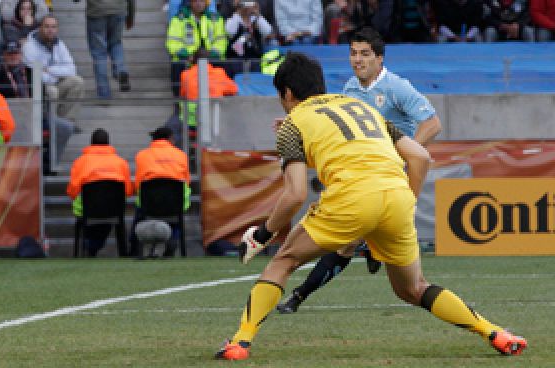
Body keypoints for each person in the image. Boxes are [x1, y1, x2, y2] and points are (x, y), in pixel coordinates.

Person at [214, 52, 527, 361]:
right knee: (414, 288)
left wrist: (263, 234)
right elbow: (420, 157)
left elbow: (295, 194)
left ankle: (240, 342)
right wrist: (405, 202)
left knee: (282, 263)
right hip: (396, 197)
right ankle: (494, 332)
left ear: (288, 93)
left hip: (350, 200)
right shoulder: (361, 107)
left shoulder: (291, 124)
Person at [277, 27, 442, 314]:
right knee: (346, 244)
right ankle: (300, 295)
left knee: (352, 244)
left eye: (365, 54)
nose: (358, 60)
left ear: (379, 58)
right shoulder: (349, 90)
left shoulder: (396, 87)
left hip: (389, 175)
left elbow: (432, 124)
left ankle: (300, 294)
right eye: (353, 53)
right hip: (362, 174)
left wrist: (402, 152)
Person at [67, 128, 133, 256]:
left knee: (92, 217)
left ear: (91, 143)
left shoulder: (80, 162)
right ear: (108, 143)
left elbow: (72, 191)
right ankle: (100, 246)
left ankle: (91, 246)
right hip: (114, 210)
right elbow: (128, 191)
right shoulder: (121, 162)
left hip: (89, 210)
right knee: (108, 218)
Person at [129, 127, 191, 257]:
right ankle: (172, 241)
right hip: (175, 203)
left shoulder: (142, 155)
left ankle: (134, 247)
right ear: (170, 139)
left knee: (139, 212)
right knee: (177, 217)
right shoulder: (181, 155)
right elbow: (187, 181)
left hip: (150, 205)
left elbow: (138, 183)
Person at [23, 15, 85, 123]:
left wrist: (49, 70)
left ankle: (66, 122)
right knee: (52, 91)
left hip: (56, 81)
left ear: (57, 29)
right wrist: (57, 72)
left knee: (78, 81)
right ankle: (52, 125)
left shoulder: (59, 44)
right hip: (39, 87)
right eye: (47, 27)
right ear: (40, 28)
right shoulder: (29, 47)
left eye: (53, 27)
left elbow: (71, 69)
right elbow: (39, 76)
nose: (50, 30)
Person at [166, 0, 227, 96]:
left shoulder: (216, 19)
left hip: (210, 59)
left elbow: (221, 41)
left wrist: (210, 55)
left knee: (221, 66)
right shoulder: (178, 19)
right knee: (178, 66)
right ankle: (179, 105)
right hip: (187, 60)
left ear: (206, 3)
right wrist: (187, 55)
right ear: (190, 2)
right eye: (195, 1)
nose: (199, 3)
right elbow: (173, 42)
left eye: (202, 1)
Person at [84, 0, 135, 98]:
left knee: (99, 53)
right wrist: (130, 16)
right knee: (115, 43)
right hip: (118, 10)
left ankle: (104, 94)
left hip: (96, 10)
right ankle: (121, 70)